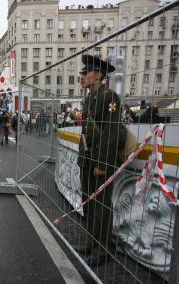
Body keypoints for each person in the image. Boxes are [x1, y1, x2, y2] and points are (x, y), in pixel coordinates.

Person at [77, 54, 123, 267]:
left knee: (102, 206)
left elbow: (111, 133)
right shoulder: (89, 98)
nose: (82, 77)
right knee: (89, 202)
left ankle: (103, 248)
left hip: (99, 161)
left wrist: (102, 165)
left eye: (85, 73)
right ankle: (91, 241)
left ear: (98, 74)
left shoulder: (109, 97)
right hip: (87, 157)